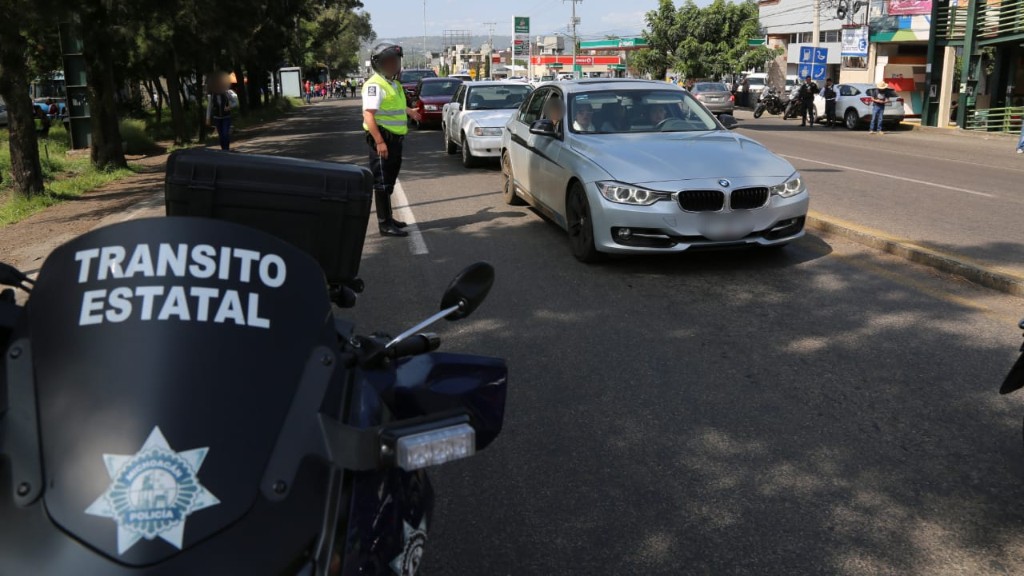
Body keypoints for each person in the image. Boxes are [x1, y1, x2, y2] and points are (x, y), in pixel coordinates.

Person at [362, 42, 423, 238]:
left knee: (390, 180)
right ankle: (384, 224)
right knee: (381, 182)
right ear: (378, 64)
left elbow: (394, 107)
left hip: (395, 138)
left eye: (395, 62)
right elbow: (369, 116)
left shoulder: (393, 84)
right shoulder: (375, 85)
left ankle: (389, 217)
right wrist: (379, 142)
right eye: (388, 62)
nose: (393, 65)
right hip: (382, 137)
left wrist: (410, 112)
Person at [206, 72, 233, 151]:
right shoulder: (211, 95)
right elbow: (209, 107)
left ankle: (226, 149)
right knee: (221, 135)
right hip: (217, 117)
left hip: (226, 117)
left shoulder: (227, 93)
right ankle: (223, 150)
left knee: (225, 134)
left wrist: (229, 106)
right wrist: (207, 118)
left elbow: (235, 102)